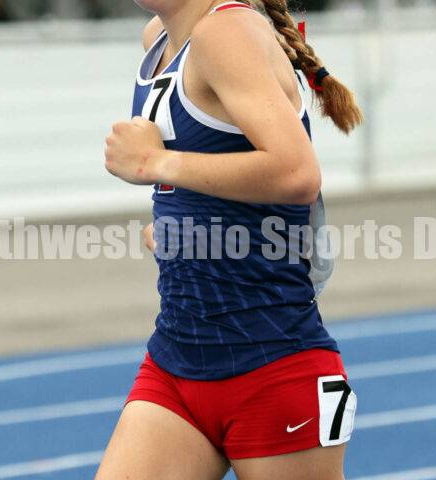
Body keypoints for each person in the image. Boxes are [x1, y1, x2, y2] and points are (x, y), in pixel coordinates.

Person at [97, 1, 361, 478]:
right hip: (177, 357)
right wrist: (183, 227)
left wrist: (154, 165)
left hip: (270, 362)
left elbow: (296, 172)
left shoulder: (226, 32)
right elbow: (213, 158)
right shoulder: (160, 37)